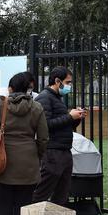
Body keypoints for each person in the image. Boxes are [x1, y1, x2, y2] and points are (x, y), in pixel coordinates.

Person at [0, 72, 49, 215]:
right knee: (24, 209)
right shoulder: (37, 107)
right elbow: (43, 138)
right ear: (28, 89)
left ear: (11, 89)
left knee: (3, 211)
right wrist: (36, 155)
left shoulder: (0, 105)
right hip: (28, 165)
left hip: (2, 163)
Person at [32, 66, 86, 205]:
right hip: (52, 152)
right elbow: (46, 125)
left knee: (62, 193)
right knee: (43, 192)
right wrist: (69, 117)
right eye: (68, 82)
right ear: (57, 81)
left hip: (63, 151)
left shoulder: (56, 98)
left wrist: (76, 118)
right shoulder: (44, 98)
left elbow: (63, 125)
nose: (69, 86)